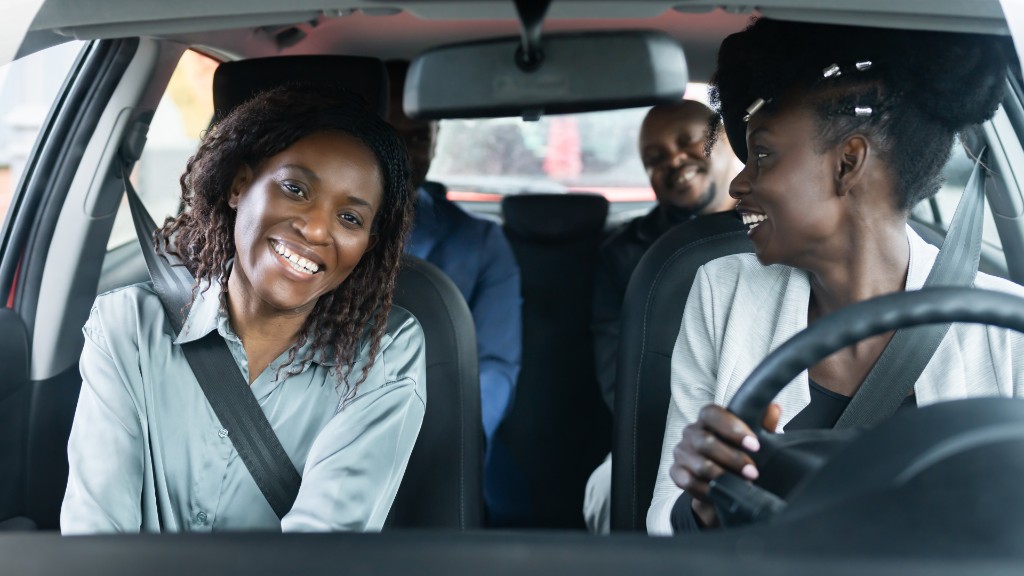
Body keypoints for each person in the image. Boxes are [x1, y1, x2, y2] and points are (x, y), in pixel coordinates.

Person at [648, 18, 1024, 535]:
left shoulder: (1009, 332)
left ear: (848, 163)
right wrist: (703, 507)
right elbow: (665, 526)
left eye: (762, 155)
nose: (738, 184)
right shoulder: (721, 291)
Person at [62, 85, 425, 533]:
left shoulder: (382, 355)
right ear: (239, 185)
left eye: (350, 218)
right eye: (295, 189)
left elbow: (321, 551)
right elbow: (96, 532)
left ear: (366, 246)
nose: (314, 229)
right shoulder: (128, 327)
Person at [583, 100, 737, 533]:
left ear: (726, 138)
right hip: (662, 430)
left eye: (688, 142)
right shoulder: (627, 254)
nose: (674, 160)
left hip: (772, 418)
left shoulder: (786, 227)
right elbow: (619, 376)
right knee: (607, 487)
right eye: (655, 159)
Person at [384, 62, 522, 471]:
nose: (401, 156)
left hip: (440, 442)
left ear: (436, 140)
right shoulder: (314, 236)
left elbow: (496, 366)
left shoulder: (478, 242)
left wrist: (454, 438)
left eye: (416, 139)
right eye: (386, 137)